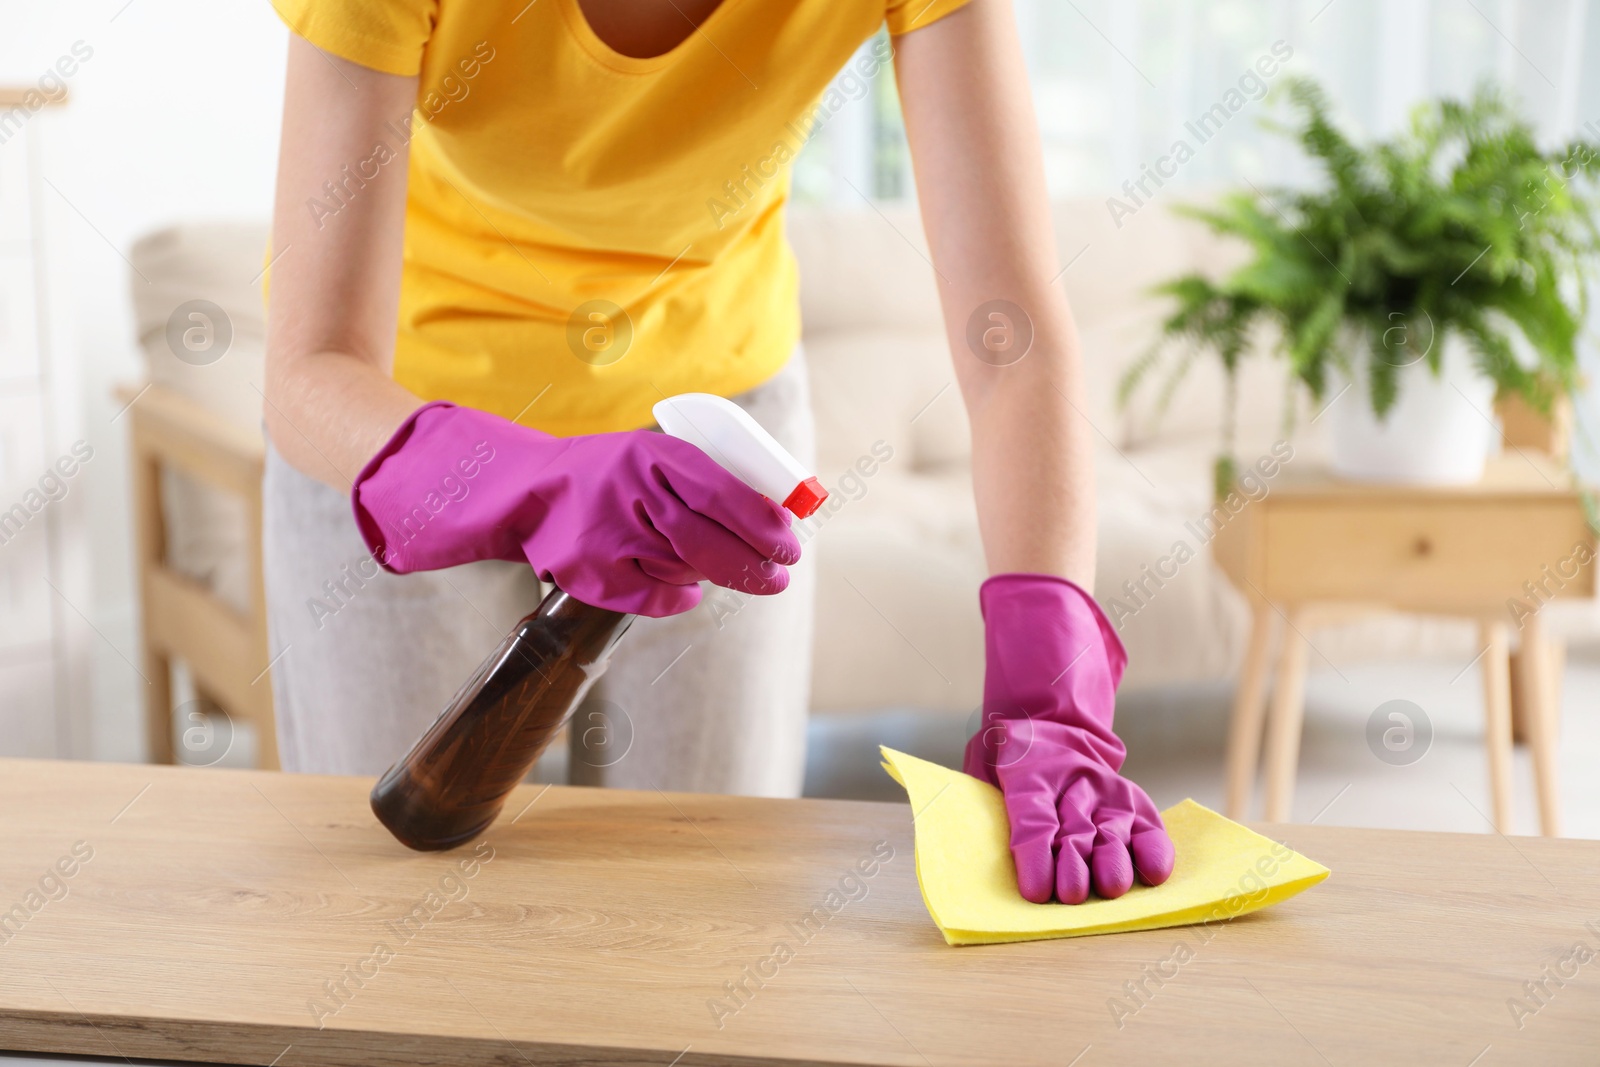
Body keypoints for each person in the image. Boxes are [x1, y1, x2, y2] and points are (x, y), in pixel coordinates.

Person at [263, 0, 1174, 904]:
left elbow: (1006, 341)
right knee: (389, 913)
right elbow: (311, 372)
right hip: (405, 431)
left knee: (715, 907)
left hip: (718, 441)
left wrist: (1053, 688)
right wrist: (537, 485)